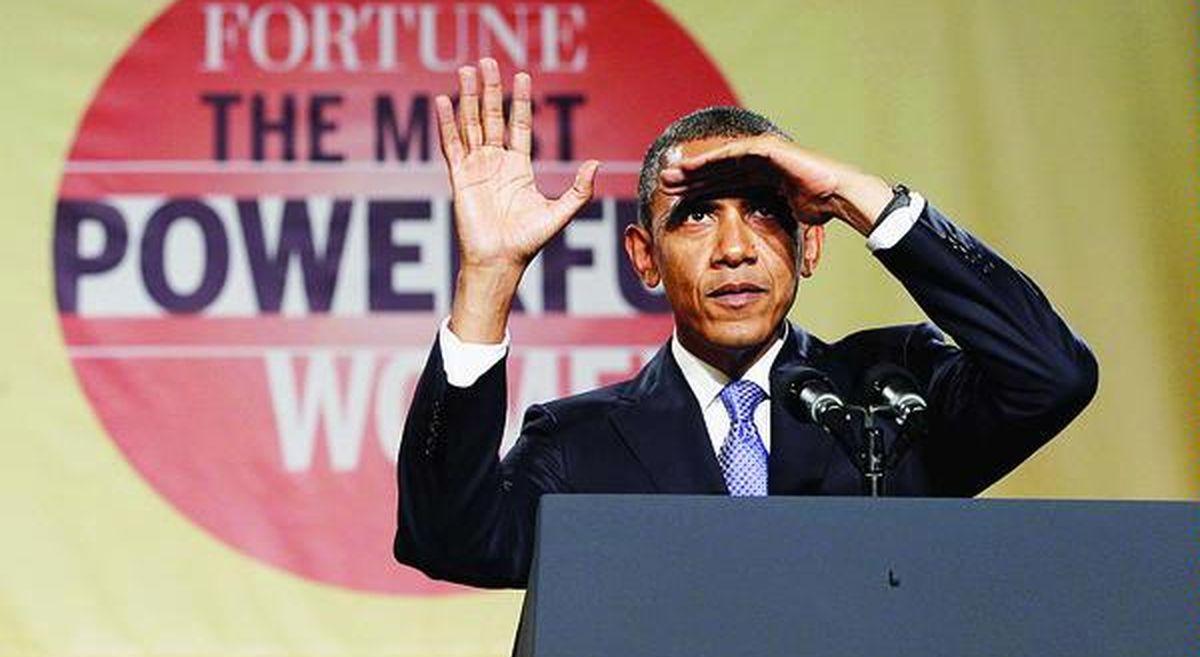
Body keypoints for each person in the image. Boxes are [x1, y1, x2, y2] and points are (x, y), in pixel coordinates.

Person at [394, 58, 1098, 589]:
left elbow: (1051, 375)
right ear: (645, 258)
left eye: (764, 211)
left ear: (810, 244)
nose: (735, 248)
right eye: (698, 215)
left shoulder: (892, 396)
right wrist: (488, 276)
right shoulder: (581, 445)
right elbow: (450, 541)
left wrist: (861, 199)